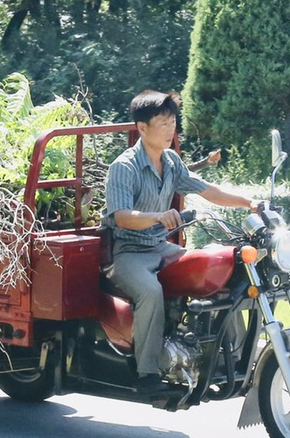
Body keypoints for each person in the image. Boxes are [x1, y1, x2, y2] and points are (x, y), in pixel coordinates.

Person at [103, 90, 259, 396]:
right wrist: (158, 216)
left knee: (221, 277)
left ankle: (230, 359)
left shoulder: (171, 161)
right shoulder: (124, 167)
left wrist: (250, 203)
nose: (171, 128)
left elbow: (207, 190)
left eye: (173, 121)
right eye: (163, 122)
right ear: (142, 128)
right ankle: (146, 371)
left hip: (161, 247)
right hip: (128, 252)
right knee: (151, 291)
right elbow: (121, 217)